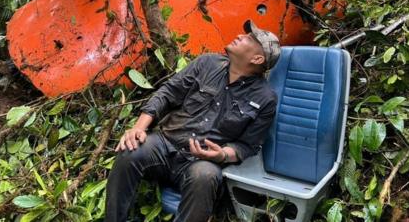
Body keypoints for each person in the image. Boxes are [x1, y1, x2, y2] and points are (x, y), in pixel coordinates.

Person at [105, 20, 281, 222]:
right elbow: (167, 94)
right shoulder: (207, 63)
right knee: (131, 150)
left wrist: (221, 155)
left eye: (250, 39)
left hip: (202, 162)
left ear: (257, 58)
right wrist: (138, 128)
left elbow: (247, 146)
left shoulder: (265, 98)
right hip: (165, 144)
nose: (241, 36)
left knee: (205, 176)